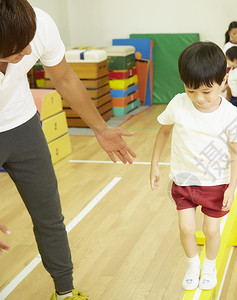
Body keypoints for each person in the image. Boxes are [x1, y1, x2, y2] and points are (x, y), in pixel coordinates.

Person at [0, 1, 136, 299]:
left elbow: (63, 77)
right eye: (16, 50)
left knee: (49, 215)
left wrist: (101, 129)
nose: (27, 54)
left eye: (28, 44)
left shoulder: (39, 25)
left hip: (22, 124)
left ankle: (64, 291)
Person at [150, 41, 237, 291]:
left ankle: (210, 265)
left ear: (223, 80)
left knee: (211, 229)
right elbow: (163, 133)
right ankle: (193, 263)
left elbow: (236, 152)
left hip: (215, 183)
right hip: (183, 181)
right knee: (186, 227)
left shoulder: (229, 114)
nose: (199, 98)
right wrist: (154, 165)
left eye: (207, 91)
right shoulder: (179, 103)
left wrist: (231, 187)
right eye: (191, 90)